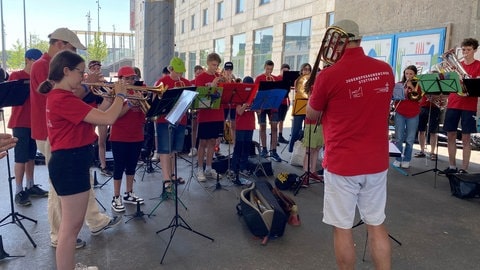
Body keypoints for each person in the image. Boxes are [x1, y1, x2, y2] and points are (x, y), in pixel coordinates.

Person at [306, 19, 393, 269]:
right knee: (376, 223)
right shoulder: (385, 69)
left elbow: (311, 115)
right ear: (360, 39)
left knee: (342, 228)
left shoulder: (329, 74)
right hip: (376, 160)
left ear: (335, 43)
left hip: (342, 162)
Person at [30, 28, 121, 250]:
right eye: (72, 48)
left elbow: (82, 108)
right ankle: (58, 234)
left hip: (72, 144)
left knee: (79, 190)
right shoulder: (44, 66)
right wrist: (97, 87)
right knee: (59, 195)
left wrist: (100, 93)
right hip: (57, 140)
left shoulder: (59, 73)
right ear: (60, 45)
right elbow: (67, 101)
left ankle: (92, 222)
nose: (81, 75)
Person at [7, 48, 48, 206]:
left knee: (31, 156)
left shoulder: (40, 77)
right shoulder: (17, 76)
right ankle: (18, 190)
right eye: (35, 61)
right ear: (27, 60)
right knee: (20, 157)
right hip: (21, 121)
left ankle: (30, 185)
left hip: (35, 121)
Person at [441, 38, 480, 174]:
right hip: (453, 103)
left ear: (475, 50)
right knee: (450, 135)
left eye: (469, 50)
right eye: (463, 50)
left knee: (466, 138)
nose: (466, 52)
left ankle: (464, 168)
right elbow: (447, 84)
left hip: (469, 105)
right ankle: (452, 166)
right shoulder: (455, 67)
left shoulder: (478, 66)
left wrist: (469, 80)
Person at [110, 66, 146, 212]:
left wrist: (142, 101)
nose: (131, 80)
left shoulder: (138, 91)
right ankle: (116, 196)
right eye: (127, 78)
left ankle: (129, 193)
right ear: (120, 80)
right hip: (119, 135)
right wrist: (130, 104)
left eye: (132, 78)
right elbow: (115, 115)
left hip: (136, 134)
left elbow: (146, 112)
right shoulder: (116, 93)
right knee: (119, 166)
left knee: (132, 165)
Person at [153, 57, 191, 190]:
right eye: (178, 72)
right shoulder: (162, 82)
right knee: (164, 149)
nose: (180, 75)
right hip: (164, 119)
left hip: (181, 119)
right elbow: (155, 102)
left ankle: (172, 174)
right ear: (171, 69)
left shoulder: (186, 82)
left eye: (182, 72)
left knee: (174, 149)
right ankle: (166, 179)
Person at [194, 52, 223, 182]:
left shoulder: (219, 76)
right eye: (213, 65)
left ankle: (209, 167)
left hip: (217, 114)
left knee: (213, 142)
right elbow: (198, 96)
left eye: (216, 65)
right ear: (208, 63)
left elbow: (224, 96)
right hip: (205, 115)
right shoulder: (201, 77)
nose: (215, 67)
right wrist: (212, 85)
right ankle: (200, 168)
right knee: (203, 142)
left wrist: (225, 84)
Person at [392, 65, 421, 169]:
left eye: (411, 74)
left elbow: (419, 98)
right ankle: (398, 158)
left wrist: (412, 87)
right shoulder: (399, 84)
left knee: (410, 139)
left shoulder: (418, 85)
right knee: (399, 138)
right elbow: (395, 98)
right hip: (400, 113)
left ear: (415, 75)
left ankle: (407, 159)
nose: (408, 76)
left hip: (413, 114)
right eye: (406, 73)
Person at [88, 60, 112, 177]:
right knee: (87, 139)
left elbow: (110, 97)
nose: (97, 70)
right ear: (90, 69)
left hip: (102, 113)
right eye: (94, 68)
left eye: (98, 68)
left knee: (102, 141)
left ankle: (103, 166)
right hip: (91, 113)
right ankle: (88, 165)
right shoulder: (87, 83)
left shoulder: (105, 83)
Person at [254, 60, 282, 162]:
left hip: (273, 106)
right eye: (268, 69)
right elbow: (256, 92)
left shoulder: (275, 79)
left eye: (271, 69)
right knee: (262, 127)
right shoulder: (259, 78)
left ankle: (274, 151)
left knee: (274, 128)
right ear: (265, 67)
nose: (269, 71)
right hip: (262, 106)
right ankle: (264, 149)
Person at [289, 63, 312, 152]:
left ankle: (304, 151)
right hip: (299, 107)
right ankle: (292, 149)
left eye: (308, 69)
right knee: (296, 130)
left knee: (307, 130)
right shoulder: (297, 81)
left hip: (308, 107)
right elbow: (301, 91)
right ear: (301, 71)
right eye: (305, 69)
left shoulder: (312, 81)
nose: (306, 71)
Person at [414, 93, 442, 161]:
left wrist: (435, 97)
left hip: (435, 107)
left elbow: (443, 95)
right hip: (423, 106)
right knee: (421, 130)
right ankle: (422, 150)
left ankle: (432, 152)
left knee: (433, 131)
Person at [187, 65, 205, 158]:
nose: (198, 75)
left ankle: (202, 148)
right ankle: (193, 147)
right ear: (194, 73)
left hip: (203, 109)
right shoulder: (191, 83)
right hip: (194, 108)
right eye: (197, 73)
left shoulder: (204, 82)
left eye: (200, 73)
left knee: (202, 130)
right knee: (193, 128)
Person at [277, 63, 291, 144]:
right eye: (284, 71)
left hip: (285, 102)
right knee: (277, 120)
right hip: (278, 102)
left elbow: (288, 92)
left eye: (287, 72)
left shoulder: (288, 80)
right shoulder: (277, 78)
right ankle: (274, 138)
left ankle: (280, 136)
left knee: (282, 120)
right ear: (281, 70)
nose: (286, 73)